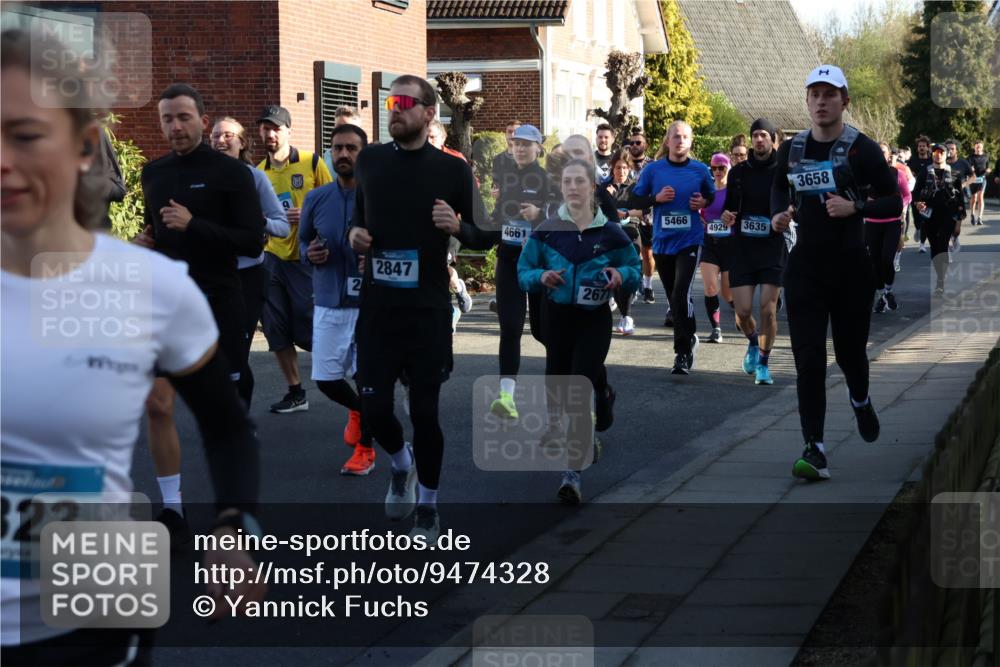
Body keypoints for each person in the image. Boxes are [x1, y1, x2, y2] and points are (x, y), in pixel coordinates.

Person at [1, 28, 264, 664]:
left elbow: (228, 429)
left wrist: (234, 524)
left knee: (161, 407)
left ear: (86, 147)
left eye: (26, 135)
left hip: (90, 620)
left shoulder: (148, 290)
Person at [348, 74, 492, 539]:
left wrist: (458, 228)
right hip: (378, 308)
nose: (394, 110)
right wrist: (354, 235)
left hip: (428, 309)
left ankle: (429, 504)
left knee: (426, 414)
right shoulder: (369, 161)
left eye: (405, 103)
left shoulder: (452, 169)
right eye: (389, 102)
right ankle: (400, 463)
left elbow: (484, 233)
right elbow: (357, 219)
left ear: (430, 114)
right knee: (373, 411)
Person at [134, 84, 266, 542]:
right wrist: (144, 244)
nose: (175, 126)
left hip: (217, 300)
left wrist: (196, 226)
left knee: (223, 414)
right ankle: (172, 509)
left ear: (203, 121)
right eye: (167, 118)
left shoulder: (231, 174)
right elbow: (156, 232)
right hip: (166, 301)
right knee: (157, 403)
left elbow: (253, 241)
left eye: (184, 117)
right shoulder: (153, 173)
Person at [771, 65, 900, 481]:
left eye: (830, 94)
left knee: (849, 356)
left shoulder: (862, 149)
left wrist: (856, 207)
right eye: (815, 94)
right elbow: (779, 186)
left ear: (845, 100)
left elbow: (893, 203)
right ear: (806, 101)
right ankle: (816, 447)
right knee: (808, 359)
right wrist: (779, 211)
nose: (822, 101)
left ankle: (860, 401)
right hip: (805, 267)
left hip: (850, 267)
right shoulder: (792, 148)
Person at [517, 158, 641, 503]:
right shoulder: (547, 231)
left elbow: (633, 266)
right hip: (556, 317)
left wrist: (620, 276)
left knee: (577, 386)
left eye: (580, 182)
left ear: (592, 189)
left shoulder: (611, 232)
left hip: (593, 320)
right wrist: (540, 277)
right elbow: (523, 270)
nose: (573, 187)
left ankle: (572, 475)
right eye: (567, 182)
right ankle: (603, 396)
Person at [299, 123, 377, 476]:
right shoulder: (316, 198)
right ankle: (360, 411)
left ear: (364, 154)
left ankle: (365, 449)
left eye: (351, 148)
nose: (343, 154)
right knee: (327, 380)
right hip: (329, 300)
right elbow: (301, 244)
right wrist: (309, 253)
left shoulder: (379, 197)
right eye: (337, 148)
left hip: (370, 304)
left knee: (367, 380)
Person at [257, 104, 333, 414]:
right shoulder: (259, 172)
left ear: (289, 130)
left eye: (276, 127)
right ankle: (296, 391)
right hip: (272, 256)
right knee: (275, 326)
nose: (270, 133)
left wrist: (309, 215)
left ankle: (352, 368)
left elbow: (335, 200)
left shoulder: (311, 162)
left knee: (307, 318)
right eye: (265, 128)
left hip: (305, 255)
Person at [210, 117, 290, 409]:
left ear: (242, 143)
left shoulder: (254, 177)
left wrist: (258, 223)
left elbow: (282, 226)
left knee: (236, 352)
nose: (220, 140)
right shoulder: (202, 177)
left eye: (228, 135)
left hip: (246, 276)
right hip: (210, 275)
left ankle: (238, 418)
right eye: (215, 135)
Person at [629, 121, 715, 374]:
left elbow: (712, 197)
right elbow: (634, 198)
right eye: (676, 137)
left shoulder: (700, 170)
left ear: (691, 141)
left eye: (685, 137)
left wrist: (703, 201)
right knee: (675, 298)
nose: (680, 141)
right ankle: (690, 336)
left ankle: (682, 353)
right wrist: (655, 199)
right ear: (667, 141)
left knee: (680, 294)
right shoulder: (653, 171)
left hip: (690, 240)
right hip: (663, 242)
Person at [488, 123, 559, 419]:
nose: (518, 148)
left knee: (545, 333)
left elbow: (561, 219)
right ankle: (507, 397)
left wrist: (539, 215)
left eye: (525, 144)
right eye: (515, 143)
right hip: (509, 262)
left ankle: (567, 392)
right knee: (511, 328)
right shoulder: (505, 179)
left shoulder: (547, 180)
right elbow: (494, 222)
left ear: (538, 148)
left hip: (539, 266)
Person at [722, 119, 786, 385]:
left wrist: (787, 215)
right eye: (755, 136)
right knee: (744, 311)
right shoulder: (738, 172)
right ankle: (752, 341)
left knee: (768, 309)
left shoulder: (782, 170)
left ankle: (763, 363)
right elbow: (729, 206)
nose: (759, 140)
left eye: (763, 135)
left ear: (773, 139)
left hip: (772, 247)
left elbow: (792, 201)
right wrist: (726, 215)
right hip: (743, 248)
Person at [427, 120, 475, 330]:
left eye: (432, 137)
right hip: (424, 228)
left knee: (441, 268)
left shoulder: (456, 161)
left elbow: (471, 194)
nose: (428, 141)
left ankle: (450, 307)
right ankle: (453, 298)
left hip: (451, 225)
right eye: (425, 137)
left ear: (443, 138)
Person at [913, 143, 966, 295]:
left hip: (948, 216)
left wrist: (959, 222)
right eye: (935, 152)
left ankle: (940, 281)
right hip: (929, 216)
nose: (938, 154)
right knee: (935, 249)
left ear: (946, 154)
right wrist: (917, 203)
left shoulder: (954, 173)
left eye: (941, 152)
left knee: (942, 246)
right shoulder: (925, 172)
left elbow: (960, 200)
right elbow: (915, 193)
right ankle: (940, 275)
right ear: (932, 154)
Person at [866, 142, 910, 313]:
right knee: (874, 262)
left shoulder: (897, 173)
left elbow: (907, 195)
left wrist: (901, 206)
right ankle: (883, 295)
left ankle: (888, 291)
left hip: (892, 221)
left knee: (886, 259)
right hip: (872, 223)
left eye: (882, 152)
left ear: (887, 155)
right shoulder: (866, 175)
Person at [605, 149, 643, 335]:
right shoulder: (604, 187)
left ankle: (627, 317)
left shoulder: (635, 187)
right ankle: (623, 313)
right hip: (610, 235)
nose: (621, 171)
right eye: (618, 167)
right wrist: (608, 197)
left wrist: (627, 213)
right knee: (614, 276)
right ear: (612, 168)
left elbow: (643, 211)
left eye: (625, 167)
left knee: (625, 274)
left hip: (630, 233)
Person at [699, 153, 734, 344]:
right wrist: (699, 217)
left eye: (722, 168)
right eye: (714, 168)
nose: (718, 172)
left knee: (728, 293)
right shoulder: (707, 191)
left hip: (730, 245)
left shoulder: (734, 191)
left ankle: (741, 314)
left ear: (728, 168)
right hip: (709, 243)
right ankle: (716, 329)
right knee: (711, 286)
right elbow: (698, 209)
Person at [625, 129, 656, 302]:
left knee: (647, 253)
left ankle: (648, 285)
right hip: (627, 215)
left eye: (638, 142)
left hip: (647, 217)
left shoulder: (652, 165)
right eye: (632, 143)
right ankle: (633, 286)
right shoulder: (623, 163)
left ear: (645, 145)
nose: (635, 145)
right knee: (630, 253)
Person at [944, 139, 975, 254]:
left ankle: (955, 237)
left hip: (958, 199)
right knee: (945, 225)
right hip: (944, 198)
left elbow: (973, 176)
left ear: (957, 151)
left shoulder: (963, 163)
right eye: (948, 149)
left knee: (956, 228)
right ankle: (946, 250)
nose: (950, 151)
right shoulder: (942, 163)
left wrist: (963, 184)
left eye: (952, 149)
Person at [907, 135, 933, 253]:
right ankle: (917, 228)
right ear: (917, 148)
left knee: (924, 219)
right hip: (915, 193)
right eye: (920, 146)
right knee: (917, 218)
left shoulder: (931, 161)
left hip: (928, 193)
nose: (922, 148)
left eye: (924, 146)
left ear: (928, 148)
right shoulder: (912, 161)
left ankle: (922, 245)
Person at [491, 120, 522, 198]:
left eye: (516, 132)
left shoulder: (527, 159)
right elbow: (495, 183)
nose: (512, 134)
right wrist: (494, 190)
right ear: (505, 134)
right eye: (509, 132)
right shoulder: (497, 159)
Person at [967, 140, 990, 226]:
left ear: (982, 147)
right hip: (973, 179)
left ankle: (980, 218)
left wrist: (988, 170)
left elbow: (988, 167)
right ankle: (972, 214)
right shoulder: (970, 157)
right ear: (974, 147)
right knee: (974, 198)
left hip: (982, 179)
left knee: (980, 197)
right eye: (976, 146)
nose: (978, 148)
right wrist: (971, 169)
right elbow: (968, 167)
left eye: (979, 146)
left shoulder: (986, 156)